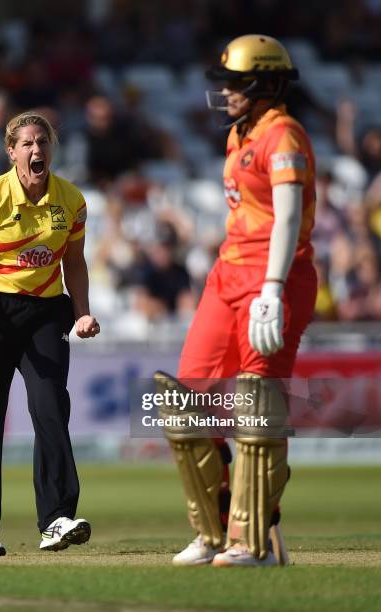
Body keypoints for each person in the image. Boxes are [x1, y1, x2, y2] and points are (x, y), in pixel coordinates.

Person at [155, 35, 317, 568]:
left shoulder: (284, 133)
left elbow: (288, 215)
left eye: (234, 84)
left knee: (257, 407)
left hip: (273, 277)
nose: (225, 93)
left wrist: (272, 287)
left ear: (265, 84)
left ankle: (256, 540)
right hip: (226, 278)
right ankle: (213, 531)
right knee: (184, 403)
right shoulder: (237, 135)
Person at [0, 111, 100, 557]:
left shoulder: (71, 200)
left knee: (51, 406)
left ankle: (56, 519)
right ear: (11, 151)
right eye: (28, 144)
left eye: (43, 142)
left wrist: (82, 313)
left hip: (45, 314)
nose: (37, 151)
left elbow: (73, 261)